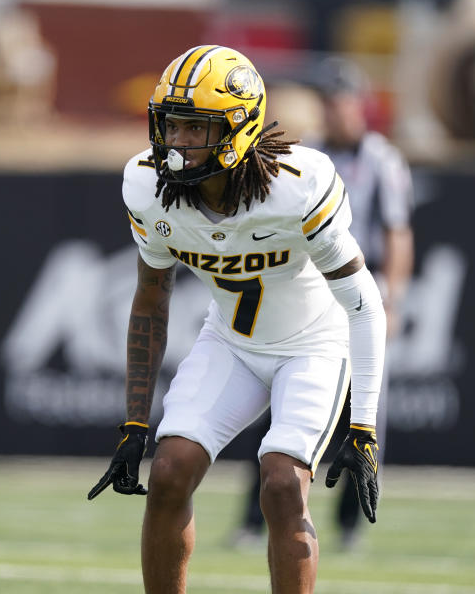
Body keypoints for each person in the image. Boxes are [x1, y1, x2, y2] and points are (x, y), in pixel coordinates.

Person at [87, 44, 387, 594]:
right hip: (231, 340)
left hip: (313, 344)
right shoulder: (150, 189)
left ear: (239, 127)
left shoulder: (296, 186)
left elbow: (363, 302)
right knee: (170, 471)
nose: (176, 144)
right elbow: (151, 298)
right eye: (170, 127)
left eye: (194, 129)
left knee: (281, 483)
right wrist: (135, 423)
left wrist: (363, 426)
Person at [232, 55, 414, 551]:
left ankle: (352, 526)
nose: (333, 111)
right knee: (281, 407)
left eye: (339, 101)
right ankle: (254, 520)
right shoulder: (307, 154)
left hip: (359, 292)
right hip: (311, 296)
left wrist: (391, 299)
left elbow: (398, 234)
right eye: (327, 102)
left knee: (364, 414)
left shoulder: (382, 160)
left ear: (358, 104)